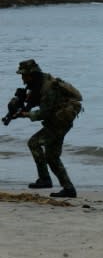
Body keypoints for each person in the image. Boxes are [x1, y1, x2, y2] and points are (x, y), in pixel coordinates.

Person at [15, 59, 82, 198]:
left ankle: (44, 179)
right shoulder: (40, 82)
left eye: (24, 75)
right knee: (52, 157)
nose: (22, 78)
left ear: (31, 74)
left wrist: (25, 114)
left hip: (59, 122)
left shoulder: (48, 87)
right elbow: (41, 103)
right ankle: (69, 189)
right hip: (58, 121)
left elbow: (44, 113)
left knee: (34, 143)